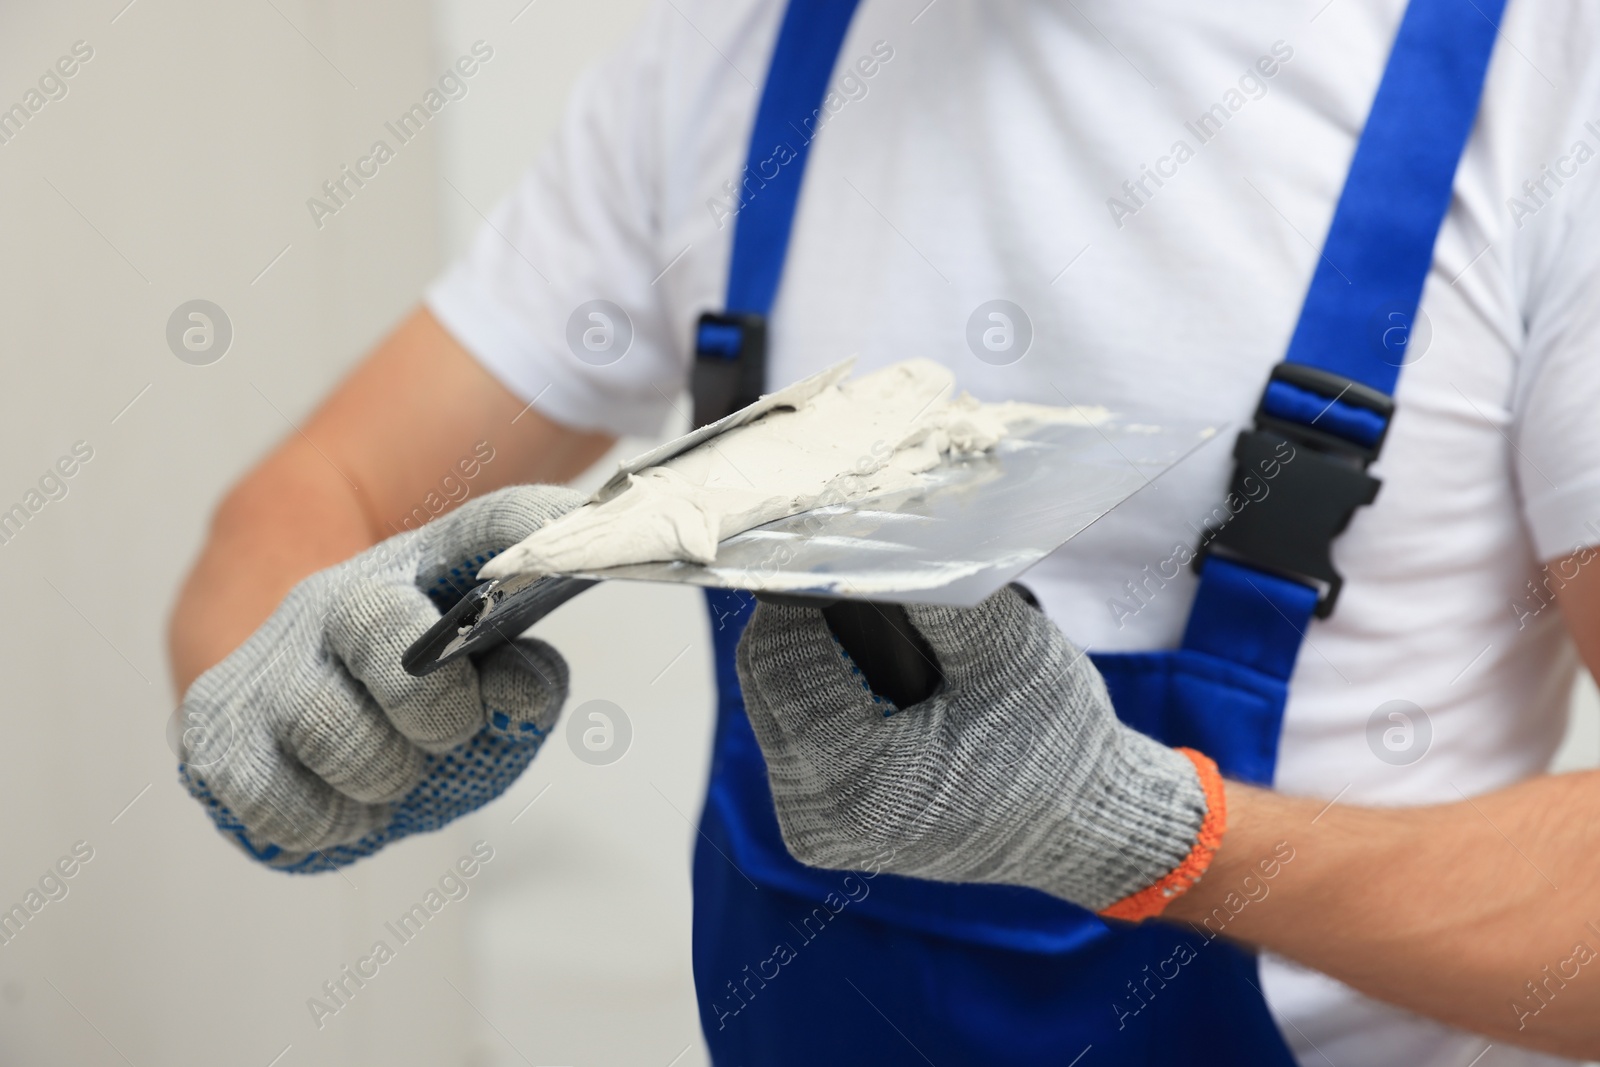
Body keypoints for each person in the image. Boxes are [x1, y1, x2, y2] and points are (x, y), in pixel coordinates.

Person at [168, 0, 1600, 1063]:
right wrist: (308, 710)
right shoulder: (729, 69)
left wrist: (1169, 838)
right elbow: (307, 508)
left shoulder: (1542, 92)